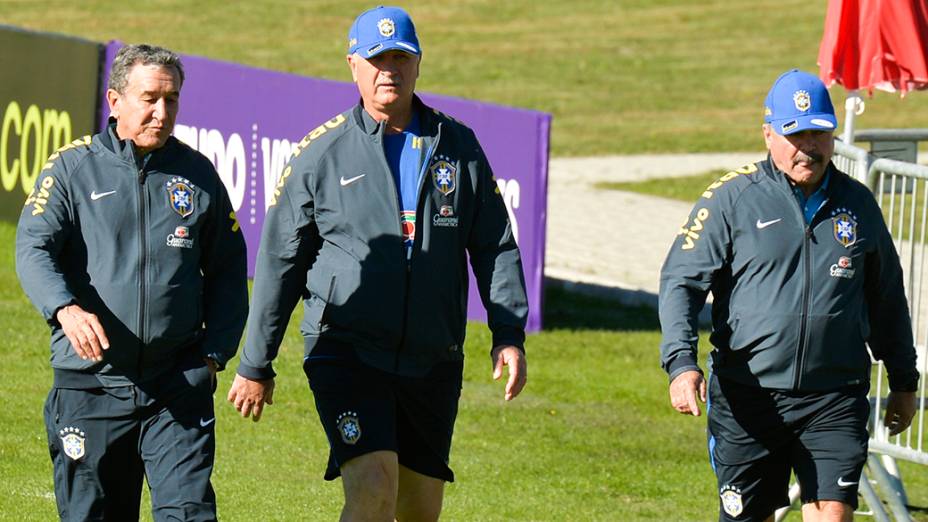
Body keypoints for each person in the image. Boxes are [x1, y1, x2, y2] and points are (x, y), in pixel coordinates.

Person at [227, 5, 528, 521]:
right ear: (353, 65)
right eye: (376, 58)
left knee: (419, 510)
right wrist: (256, 363)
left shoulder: (458, 147)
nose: (389, 69)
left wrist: (507, 332)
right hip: (347, 350)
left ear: (417, 64)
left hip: (434, 356)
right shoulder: (321, 155)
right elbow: (280, 262)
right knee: (372, 489)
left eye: (400, 57)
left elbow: (495, 244)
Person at [659, 69, 920, 522]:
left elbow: (887, 297)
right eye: (795, 134)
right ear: (768, 134)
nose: (809, 146)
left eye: (819, 133)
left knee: (832, 513)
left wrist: (903, 381)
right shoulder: (731, 199)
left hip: (833, 398)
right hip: (749, 398)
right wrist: (681, 363)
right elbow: (681, 282)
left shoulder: (858, 204)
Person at [16, 44, 248, 521]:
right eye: (149, 99)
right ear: (115, 100)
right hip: (91, 385)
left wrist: (213, 354)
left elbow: (229, 268)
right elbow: (32, 248)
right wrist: (65, 308)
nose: (162, 113)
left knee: (189, 515)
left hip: (176, 386)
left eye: (172, 100)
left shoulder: (198, 174)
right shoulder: (71, 169)